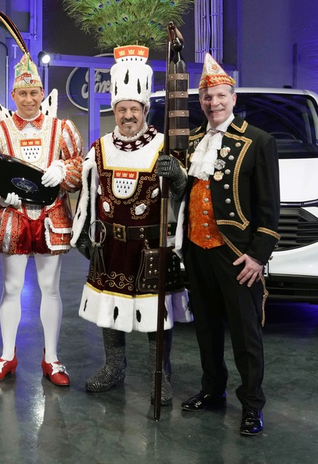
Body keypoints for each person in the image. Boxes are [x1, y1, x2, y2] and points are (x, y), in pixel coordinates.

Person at [163, 54, 280, 435]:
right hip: (197, 250)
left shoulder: (258, 141)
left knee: (246, 334)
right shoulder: (191, 141)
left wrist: (257, 257)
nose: (213, 103)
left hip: (236, 254)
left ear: (233, 97)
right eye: (207, 97)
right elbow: (182, 192)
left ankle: (251, 404)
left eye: (220, 96)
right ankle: (212, 391)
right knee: (206, 329)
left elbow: (269, 207)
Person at [71, 45, 192, 405]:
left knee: (158, 315)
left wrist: (179, 178)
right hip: (110, 246)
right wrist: (83, 235)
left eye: (133, 110)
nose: (127, 116)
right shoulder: (100, 147)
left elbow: (186, 196)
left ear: (144, 111)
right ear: (115, 110)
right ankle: (115, 366)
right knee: (109, 308)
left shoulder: (163, 147)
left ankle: (162, 375)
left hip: (152, 248)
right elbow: (89, 194)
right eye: (121, 109)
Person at [0, 50, 83, 386]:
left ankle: (51, 357)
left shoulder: (62, 128)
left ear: (42, 92)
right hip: (13, 217)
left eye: (34, 92)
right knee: (11, 288)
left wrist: (62, 169)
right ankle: (8, 354)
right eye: (22, 93)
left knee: (51, 289)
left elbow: (80, 166)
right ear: (13, 95)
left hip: (52, 217)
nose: (28, 99)